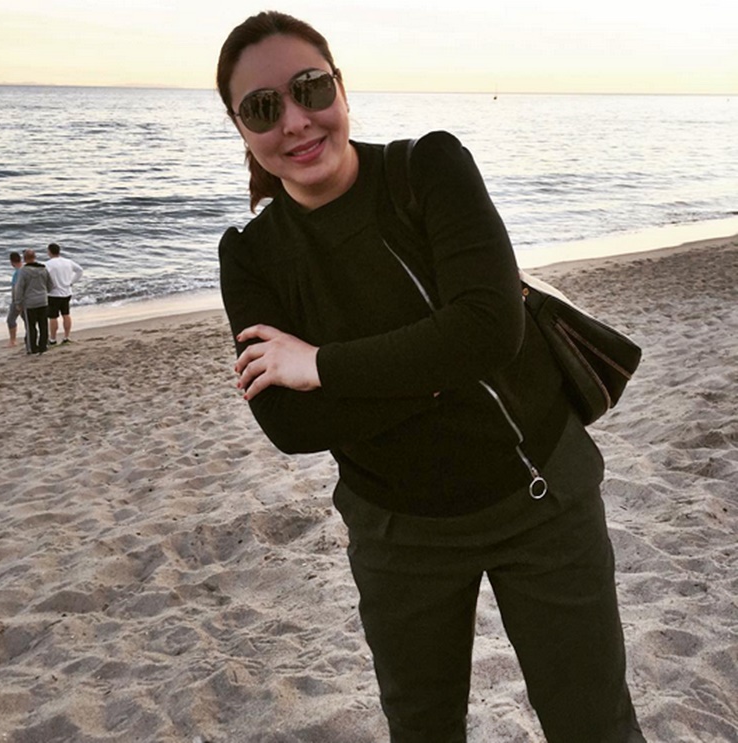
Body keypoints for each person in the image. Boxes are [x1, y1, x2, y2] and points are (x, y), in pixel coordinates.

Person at [216, 12, 647, 743]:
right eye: (262, 107)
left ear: (340, 87)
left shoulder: (429, 169)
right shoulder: (251, 255)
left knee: (593, 726)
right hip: (397, 535)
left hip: (541, 496)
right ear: (240, 127)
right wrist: (442, 361)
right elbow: (291, 424)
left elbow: (490, 331)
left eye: (309, 88)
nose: (294, 121)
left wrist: (320, 365)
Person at [14, 248, 54, 355]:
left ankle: (32, 347)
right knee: (43, 325)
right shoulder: (43, 269)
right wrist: (44, 292)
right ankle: (43, 346)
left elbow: (19, 288)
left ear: (24, 259)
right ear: (35, 257)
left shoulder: (23, 271)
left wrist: (18, 302)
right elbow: (51, 285)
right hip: (43, 300)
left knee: (31, 326)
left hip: (30, 303)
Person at [45, 242, 84, 344]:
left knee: (53, 317)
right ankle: (66, 336)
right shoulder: (68, 262)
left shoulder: (48, 264)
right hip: (67, 291)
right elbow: (79, 270)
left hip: (54, 293)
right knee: (66, 314)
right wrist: (72, 281)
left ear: (49, 252)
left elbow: (44, 278)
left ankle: (53, 339)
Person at [5, 252, 24, 348]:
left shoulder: (17, 273)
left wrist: (16, 301)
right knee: (26, 319)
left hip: (17, 300)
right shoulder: (24, 270)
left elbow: (16, 288)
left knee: (11, 320)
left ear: (11, 262)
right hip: (27, 299)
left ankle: (13, 341)